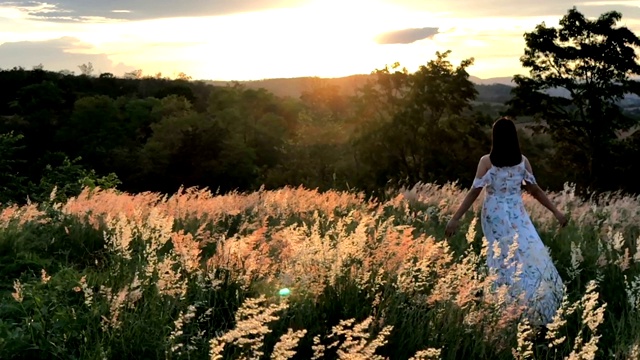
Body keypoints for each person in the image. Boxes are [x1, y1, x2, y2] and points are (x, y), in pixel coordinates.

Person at [445, 117, 568, 325]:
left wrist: (455, 218)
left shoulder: (487, 161)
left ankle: (512, 303)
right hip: (515, 212)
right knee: (526, 250)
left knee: (503, 255)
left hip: (494, 214)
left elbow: (474, 192)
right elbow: (535, 191)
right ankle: (524, 302)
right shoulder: (522, 161)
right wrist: (556, 212)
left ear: (495, 137)